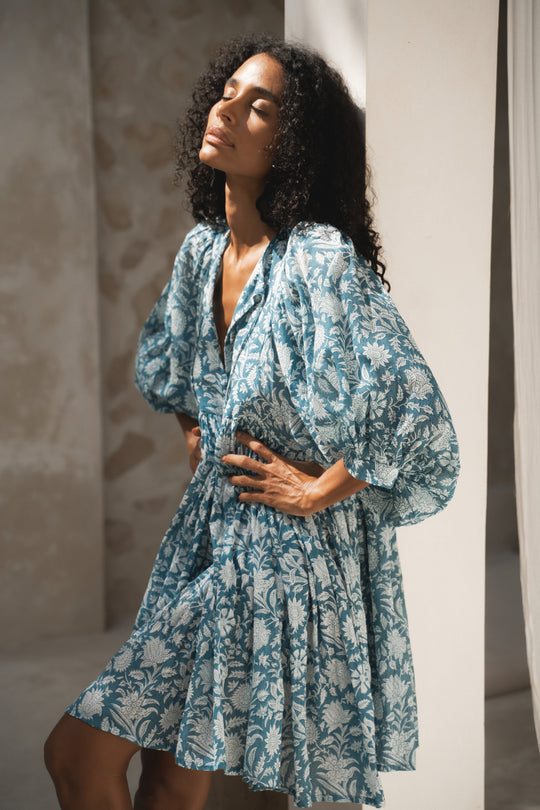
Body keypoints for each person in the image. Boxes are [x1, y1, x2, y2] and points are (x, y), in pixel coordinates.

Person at [44, 34, 460, 810]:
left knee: (76, 754)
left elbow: (413, 406)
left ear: (293, 144)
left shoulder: (319, 260)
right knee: (170, 778)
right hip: (208, 540)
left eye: (260, 106)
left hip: (276, 559)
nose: (228, 109)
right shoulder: (201, 253)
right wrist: (200, 431)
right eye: (228, 92)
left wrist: (316, 491)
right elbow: (170, 362)